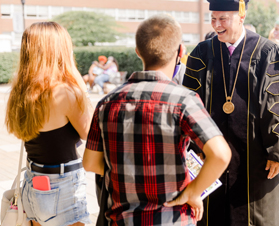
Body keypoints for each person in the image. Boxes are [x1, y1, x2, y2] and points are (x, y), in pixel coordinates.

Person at [82, 14, 232, 225]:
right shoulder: (184, 101)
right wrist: (192, 192)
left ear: (137, 52)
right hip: (171, 219)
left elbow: (90, 163)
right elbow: (220, 154)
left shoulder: (107, 103)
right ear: (180, 51)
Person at [183, 0, 279, 226]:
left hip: (257, 158)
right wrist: (192, 145)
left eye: (223, 19)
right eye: (213, 19)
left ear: (241, 17)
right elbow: (188, 102)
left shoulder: (268, 53)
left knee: (255, 216)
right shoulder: (202, 53)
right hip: (211, 156)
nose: (217, 25)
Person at [5, 22, 93, 226]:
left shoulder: (20, 92)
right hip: (62, 187)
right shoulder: (64, 92)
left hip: (33, 182)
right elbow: (90, 132)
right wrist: (79, 85)